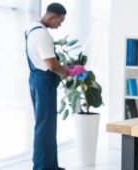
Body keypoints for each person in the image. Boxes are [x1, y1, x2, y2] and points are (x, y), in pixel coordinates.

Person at [25, 3, 85, 170]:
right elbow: (51, 64)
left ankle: (50, 166)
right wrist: (70, 72)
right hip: (44, 81)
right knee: (45, 127)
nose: (60, 25)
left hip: (38, 80)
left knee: (47, 125)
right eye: (60, 21)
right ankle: (42, 167)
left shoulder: (31, 28)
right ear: (52, 17)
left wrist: (67, 69)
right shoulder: (42, 34)